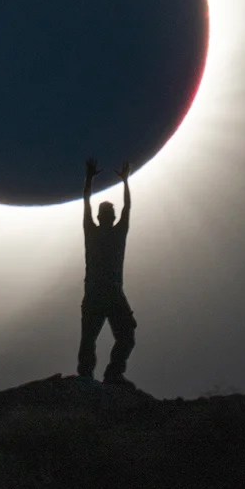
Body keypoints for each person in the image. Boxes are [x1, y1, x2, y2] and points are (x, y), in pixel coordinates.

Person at [78, 157, 137, 385]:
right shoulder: (105, 233)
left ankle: (105, 373)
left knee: (111, 337)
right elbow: (126, 208)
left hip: (105, 293)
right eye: (109, 213)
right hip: (105, 292)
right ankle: (99, 374)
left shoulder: (99, 232)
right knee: (96, 339)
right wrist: (125, 182)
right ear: (108, 217)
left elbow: (86, 204)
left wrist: (90, 180)